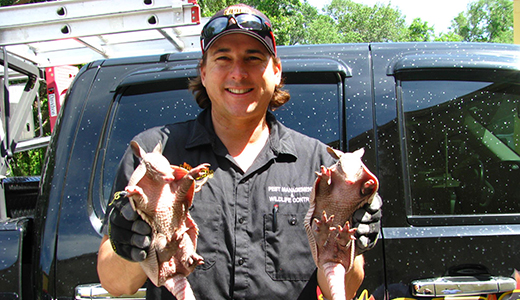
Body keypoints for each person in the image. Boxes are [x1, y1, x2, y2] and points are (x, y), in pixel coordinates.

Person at [97, 4, 382, 300]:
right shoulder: (154, 157)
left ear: (276, 70)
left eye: (252, 58)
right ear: (204, 72)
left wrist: (352, 242)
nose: (238, 73)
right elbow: (116, 284)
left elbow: (346, 290)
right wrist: (129, 241)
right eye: (223, 59)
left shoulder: (321, 167)